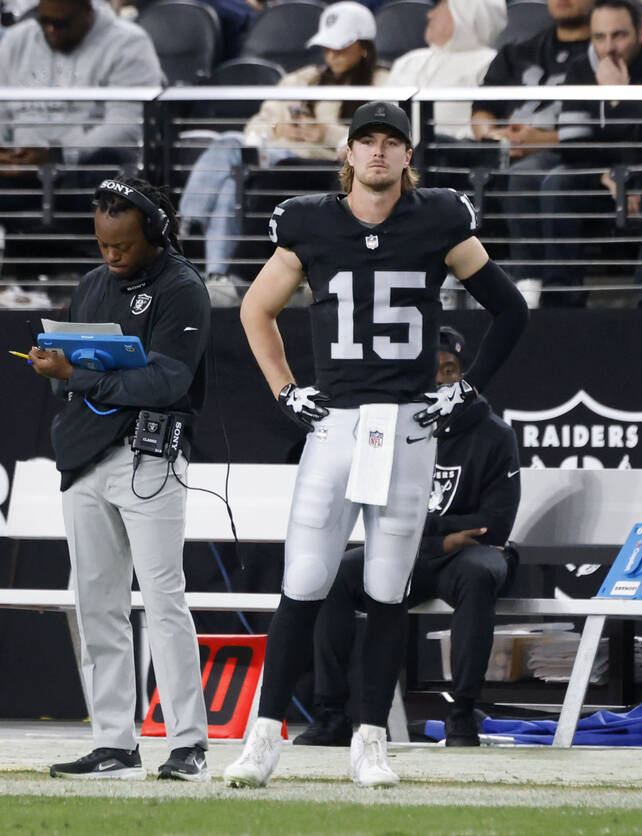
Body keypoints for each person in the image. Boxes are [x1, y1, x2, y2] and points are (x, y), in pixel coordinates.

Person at [225, 100, 528, 789]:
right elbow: (254, 307)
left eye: (392, 142)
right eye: (368, 142)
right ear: (348, 154)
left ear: (408, 156)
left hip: (408, 425)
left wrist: (468, 388)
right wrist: (283, 389)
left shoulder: (440, 220)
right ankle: (263, 738)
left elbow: (510, 308)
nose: (380, 153)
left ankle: (370, 740)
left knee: (388, 588)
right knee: (304, 583)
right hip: (335, 424)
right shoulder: (309, 223)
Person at [26, 175, 211, 781]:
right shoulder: (90, 287)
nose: (111, 256)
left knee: (163, 601)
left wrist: (79, 377)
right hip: (85, 461)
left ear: (155, 234)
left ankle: (188, 744)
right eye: (103, 244)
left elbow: (168, 382)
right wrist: (57, 368)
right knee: (97, 605)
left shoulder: (183, 288)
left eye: (123, 245)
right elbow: (87, 374)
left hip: (149, 460)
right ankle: (114, 742)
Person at [296, 326, 521, 748]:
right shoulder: (391, 429)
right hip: (414, 551)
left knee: (480, 573)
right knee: (332, 577)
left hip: (464, 559)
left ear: (462, 374)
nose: (439, 380)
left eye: (449, 370)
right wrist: (445, 537)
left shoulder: (495, 435)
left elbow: (495, 525)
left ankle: (462, 713)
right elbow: (373, 509)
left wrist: (435, 537)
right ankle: (331, 714)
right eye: (430, 372)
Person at [178, 0, 388, 304]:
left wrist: (324, 134)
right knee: (228, 145)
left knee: (232, 173)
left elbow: (376, 137)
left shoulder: (381, 83)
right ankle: (216, 274)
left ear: (364, 47)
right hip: (271, 153)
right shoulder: (304, 78)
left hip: (315, 161)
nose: (331, 55)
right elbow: (258, 124)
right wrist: (279, 130)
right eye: (327, 47)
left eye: (340, 48)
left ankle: (193, 233)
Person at [547, 0, 642, 305]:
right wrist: (608, 176)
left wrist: (623, 98)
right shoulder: (582, 69)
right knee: (557, 183)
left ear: (641, 34)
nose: (608, 48)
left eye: (619, 35)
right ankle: (560, 297)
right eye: (599, 37)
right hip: (608, 176)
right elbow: (571, 142)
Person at [0, 0, 163, 279]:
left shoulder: (127, 42)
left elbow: (128, 124)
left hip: (89, 172)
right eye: (45, 22)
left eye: (62, 23)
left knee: (108, 172)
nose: (51, 30)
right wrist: (4, 153)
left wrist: (59, 154)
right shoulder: (17, 40)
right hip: (20, 172)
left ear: (87, 11)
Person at [469, 0, 594, 304]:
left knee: (528, 173)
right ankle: (438, 274)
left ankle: (531, 283)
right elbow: (482, 110)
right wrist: (497, 137)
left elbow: (604, 128)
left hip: (568, 155)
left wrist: (543, 140)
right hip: (505, 151)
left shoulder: (603, 54)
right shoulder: (518, 50)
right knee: (437, 152)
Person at [385, 0, 507, 140]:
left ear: (465, 15)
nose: (430, 14)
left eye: (442, 7)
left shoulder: (491, 63)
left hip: (451, 153)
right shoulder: (409, 60)